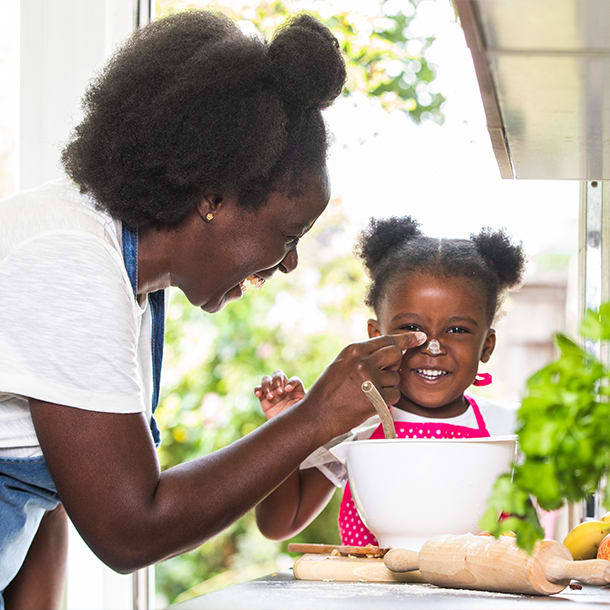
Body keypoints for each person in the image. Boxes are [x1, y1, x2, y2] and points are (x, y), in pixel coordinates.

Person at [0, 12, 426, 609]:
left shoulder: (129, 281)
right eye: (289, 232)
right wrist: (316, 417)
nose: (290, 264)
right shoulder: (68, 258)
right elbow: (130, 528)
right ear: (213, 198)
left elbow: (55, 493)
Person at [255, 216, 526, 545]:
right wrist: (287, 427)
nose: (433, 347)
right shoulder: (355, 425)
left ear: (486, 345)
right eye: (412, 329)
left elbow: (521, 539)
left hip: (476, 598)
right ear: (376, 337)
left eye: (457, 330)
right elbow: (280, 523)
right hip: (371, 597)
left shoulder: (507, 433)